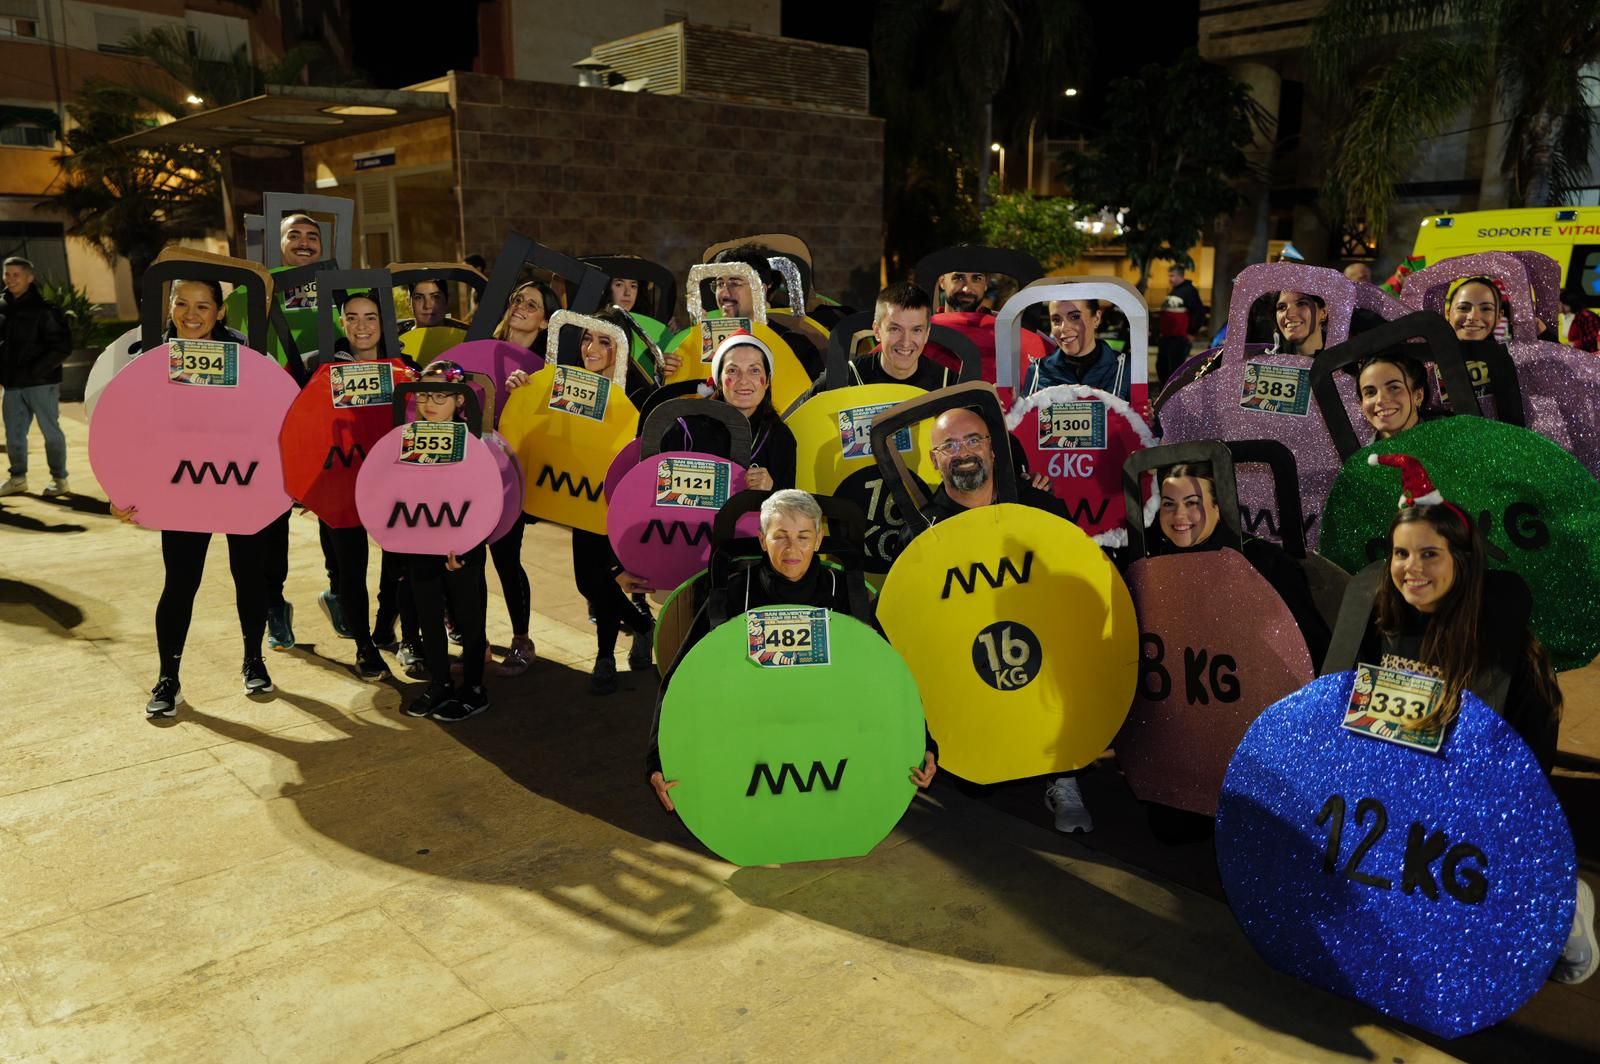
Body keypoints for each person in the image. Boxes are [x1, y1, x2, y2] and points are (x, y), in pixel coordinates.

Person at [1351, 453, 1592, 984]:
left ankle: (1564, 900)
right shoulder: (1377, 623)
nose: (1412, 568)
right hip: (1403, 802)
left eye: (1429, 554)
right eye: (1401, 554)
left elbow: (1530, 772)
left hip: (1490, 807)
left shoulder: (1507, 648)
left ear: (1462, 559)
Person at [648, 488, 939, 812]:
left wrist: (923, 744)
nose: (792, 548)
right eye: (780, 536)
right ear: (762, 539)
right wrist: (658, 759)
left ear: (817, 540)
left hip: (828, 726)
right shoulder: (733, 594)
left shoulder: (844, 593)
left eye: (803, 537)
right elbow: (680, 678)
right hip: (749, 727)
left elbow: (891, 675)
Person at [109, 279, 275, 716]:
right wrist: (119, 490)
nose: (191, 313)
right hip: (182, 488)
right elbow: (124, 429)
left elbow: (274, 419)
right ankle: (168, 678)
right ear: (169, 307)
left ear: (221, 312)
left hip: (241, 484)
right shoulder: (149, 356)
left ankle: (253, 659)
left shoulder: (248, 353)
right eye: (181, 303)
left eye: (203, 305)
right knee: (180, 582)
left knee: (249, 575)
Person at [507, 308, 658, 695]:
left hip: (619, 501)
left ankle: (604, 656)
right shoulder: (572, 383)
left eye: (604, 341)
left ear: (621, 347)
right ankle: (642, 627)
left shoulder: (639, 394)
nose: (591, 348)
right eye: (588, 339)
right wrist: (526, 389)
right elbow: (544, 427)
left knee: (603, 576)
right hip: (582, 498)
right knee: (588, 580)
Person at [1148, 462, 1330, 662]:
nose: (1179, 514)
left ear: (1218, 507)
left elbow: (1314, 651)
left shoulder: (1267, 563)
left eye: (1192, 502)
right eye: (1168, 504)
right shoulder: (1153, 567)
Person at [307, 290, 396, 679]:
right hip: (341, 482)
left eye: (371, 317)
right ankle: (364, 646)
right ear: (342, 323)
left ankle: (385, 629)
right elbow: (304, 428)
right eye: (353, 317)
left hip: (390, 484)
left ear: (383, 323)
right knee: (350, 570)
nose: (362, 326)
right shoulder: (320, 369)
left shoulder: (403, 367)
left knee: (397, 565)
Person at [400, 359, 492, 722]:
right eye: (424, 393)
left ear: (459, 401)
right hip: (421, 543)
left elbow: (482, 500)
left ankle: (474, 689)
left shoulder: (473, 443)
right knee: (428, 617)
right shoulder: (406, 439)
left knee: (469, 619)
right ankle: (439, 682)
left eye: (442, 394)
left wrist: (466, 545)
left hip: (462, 548)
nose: (431, 402)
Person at [0, 256, 72, 498]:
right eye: (6, 274)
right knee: (13, 434)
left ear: (30, 278)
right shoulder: (2, 307)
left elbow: (62, 346)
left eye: (16, 275)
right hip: (11, 384)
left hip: (41, 383)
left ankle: (60, 480)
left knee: (50, 431)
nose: (10, 279)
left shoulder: (46, 310)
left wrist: (36, 371)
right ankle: (17, 478)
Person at [708, 246, 822, 380]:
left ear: (761, 290)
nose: (724, 293)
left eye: (735, 284)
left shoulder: (795, 346)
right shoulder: (706, 343)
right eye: (720, 284)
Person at [1020, 299, 1131, 402]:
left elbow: (1139, 418)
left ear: (1096, 318)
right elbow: (1029, 420)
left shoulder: (1125, 368)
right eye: (1056, 320)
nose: (1064, 328)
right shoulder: (1038, 371)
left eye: (1075, 317)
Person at [1355, 353, 1430, 440]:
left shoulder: (1447, 436)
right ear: (1361, 404)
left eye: (1394, 388)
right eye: (1370, 392)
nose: (1380, 400)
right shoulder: (1365, 454)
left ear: (1418, 396)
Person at [1157, 264, 1205, 384]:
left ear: (1180, 276)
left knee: (1175, 369)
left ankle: (1171, 396)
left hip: (1179, 338)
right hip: (1167, 337)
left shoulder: (1189, 291)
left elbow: (1198, 312)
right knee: (1161, 366)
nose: (1170, 279)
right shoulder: (1175, 291)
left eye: (1172, 276)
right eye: (1169, 276)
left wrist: (1191, 332)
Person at [492, 280, 556, 356]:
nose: (519, 306)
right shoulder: (487, 345)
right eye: (518, 300)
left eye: (531, 305)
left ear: (545, 323)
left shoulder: (540, 366)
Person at [278, 213, 324, 309]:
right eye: (294, 236)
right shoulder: (260, 288)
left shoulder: (337, 288)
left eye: (312, 238)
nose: (304, 243)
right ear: (279, 245)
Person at [1270, 290, 1328, 356]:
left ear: (1323, 312)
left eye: (1301, 304)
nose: (1288, 314)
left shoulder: (1340, 361)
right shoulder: (1266, 360)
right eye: (1282, 307)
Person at [1560, 287, 1600, 353]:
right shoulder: (1573, 316)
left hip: (1590, 356)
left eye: (1559, 302)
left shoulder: (1586, 316)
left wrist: (1574, 344)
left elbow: (1594, 337)